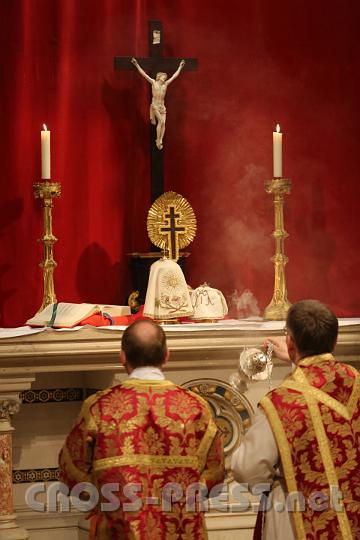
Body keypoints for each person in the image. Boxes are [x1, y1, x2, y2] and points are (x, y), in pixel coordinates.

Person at [59, 319, 224, 539]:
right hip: (180, 530)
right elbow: (216, 471)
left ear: (122, 356)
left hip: (119, 529)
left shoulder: (99, 406)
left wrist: (100, 498)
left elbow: (71, 469)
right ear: (167, 355)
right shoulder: (195, 406)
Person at [231, 299, 359, 540]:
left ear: (290, 341)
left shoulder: (281, 402)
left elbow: (248, 470)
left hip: (296, 517)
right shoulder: (357, 382)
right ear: (336, 340)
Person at [131, 57, 185, 150]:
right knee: (162, 121)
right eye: (164, 76)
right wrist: (136, 64)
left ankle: (160, 140)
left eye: (166, 77)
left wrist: (180, 67)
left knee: (163, 124)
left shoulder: (166, 84)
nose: (165, 77)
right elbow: (143, 74)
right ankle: (158, 140)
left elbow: (175, 76)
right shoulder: (153, 82)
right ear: (159, 77)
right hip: (155, 106)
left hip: (162, 107)